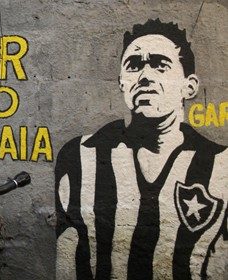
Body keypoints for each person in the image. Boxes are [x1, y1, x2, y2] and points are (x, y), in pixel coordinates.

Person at [55, 19, 227, 279]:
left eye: (160, 65)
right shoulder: (80, 155)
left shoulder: (220, 164)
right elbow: (67, 255)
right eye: (134, 66)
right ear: (122, 82)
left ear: (189, 86)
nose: (145, 76)